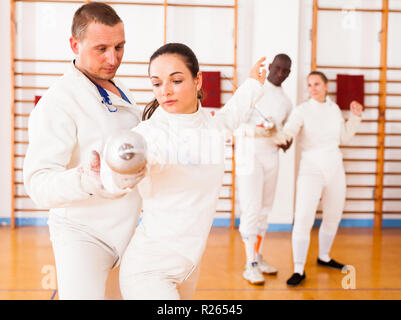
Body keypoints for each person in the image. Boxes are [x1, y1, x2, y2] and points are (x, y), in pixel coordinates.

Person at [111, 43, 267, 299]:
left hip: (188, 267)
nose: (166, 91)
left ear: (198, 80)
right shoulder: (149, 134)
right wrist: (125, 171)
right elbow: (130, 168)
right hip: (149, 271)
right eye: (157, 83)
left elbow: (231, 116)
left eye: (176, 80)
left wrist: (252, 84)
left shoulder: (208, 125)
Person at [23, 2, 144, 299]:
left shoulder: (119, 86)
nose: (113, 58)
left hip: (128, 232)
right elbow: (37, 183)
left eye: (120, 46)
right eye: (101, 48)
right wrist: (86, 179)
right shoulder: (58, 102)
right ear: (75, 45)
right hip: (83, 236)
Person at [272, 71, 363, 286]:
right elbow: (290, 130)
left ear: (326, 86)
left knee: (333, 216)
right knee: (303, 218)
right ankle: (298, 269)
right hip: (311, 168)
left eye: (316, 84)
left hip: (335, 167)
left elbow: (344, 137)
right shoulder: (301, 110)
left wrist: (356, 117)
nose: (312, 88)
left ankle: (324, 257)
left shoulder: (333, 110)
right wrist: (279, 137)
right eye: (309, 84)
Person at [235, 54, 293, 285]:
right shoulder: (253, 90)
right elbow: (236, 124)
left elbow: (283, 133)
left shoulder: (287, 102)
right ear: (270, 67)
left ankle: (257, 257)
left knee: (264, 209)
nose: (280, 73)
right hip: (249, 155)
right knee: (251, 209)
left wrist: (284, 141)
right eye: (277, 68)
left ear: (289, 73)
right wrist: (256, 131)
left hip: (271, 156)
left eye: (285, 71)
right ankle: (250, 264)